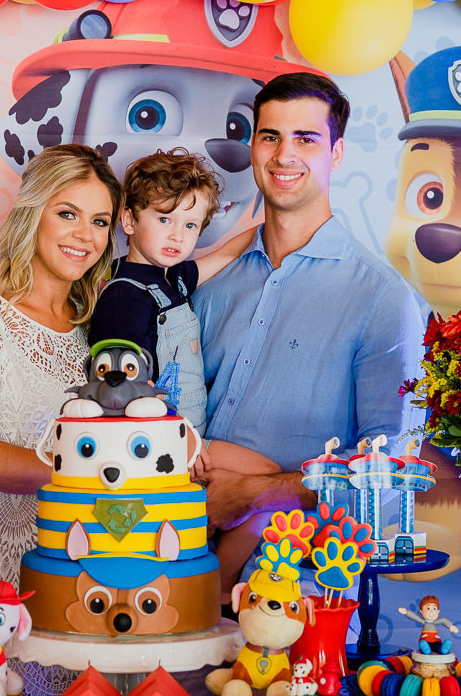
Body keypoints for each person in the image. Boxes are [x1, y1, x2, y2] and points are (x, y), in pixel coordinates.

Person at [192, 71, 424, 590]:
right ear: (252, 145)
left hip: (298, 586)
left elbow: (391, 465)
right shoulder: (211, 280)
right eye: (270, 136)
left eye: (306, 139)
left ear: (336, 154)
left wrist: (253, 493)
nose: (283, 155)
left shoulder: (382, 297)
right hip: (172, 564)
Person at [0, 144, 122, 590]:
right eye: (67, 214)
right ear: (32, 214)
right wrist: (106, 471)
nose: (85, 236)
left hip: (85, 572)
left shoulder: (98, 331)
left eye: (100, 222)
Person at [88, 148, 251, 436]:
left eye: (190, 225)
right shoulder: (125, 296)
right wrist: (176, 434)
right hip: (156, 438)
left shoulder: (174, 277)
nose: (178, 235)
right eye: (165, 219)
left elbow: (226, 254)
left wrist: (276, 226)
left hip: (191, 430)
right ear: (129, 221)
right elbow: (123, 387)